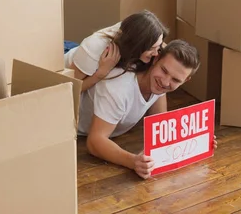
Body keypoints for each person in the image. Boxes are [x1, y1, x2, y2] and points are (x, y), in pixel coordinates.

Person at [78, 39, 216, 179]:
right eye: (164, 71)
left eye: (176, 80)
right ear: (155, 59)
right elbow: (94, 141)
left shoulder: (160, 82)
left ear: (186, 80)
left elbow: (162, 126)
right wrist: (133, 161)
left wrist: (199, 139)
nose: (165, 82)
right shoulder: (118, 88)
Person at [64, 10, 168, 92]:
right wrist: (100, 74)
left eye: (158, 47)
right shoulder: (94, 48)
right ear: (136, 44)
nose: (156, 53)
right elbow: (70, 89)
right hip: (66, 66)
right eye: (151, 49)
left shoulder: (147, 38)